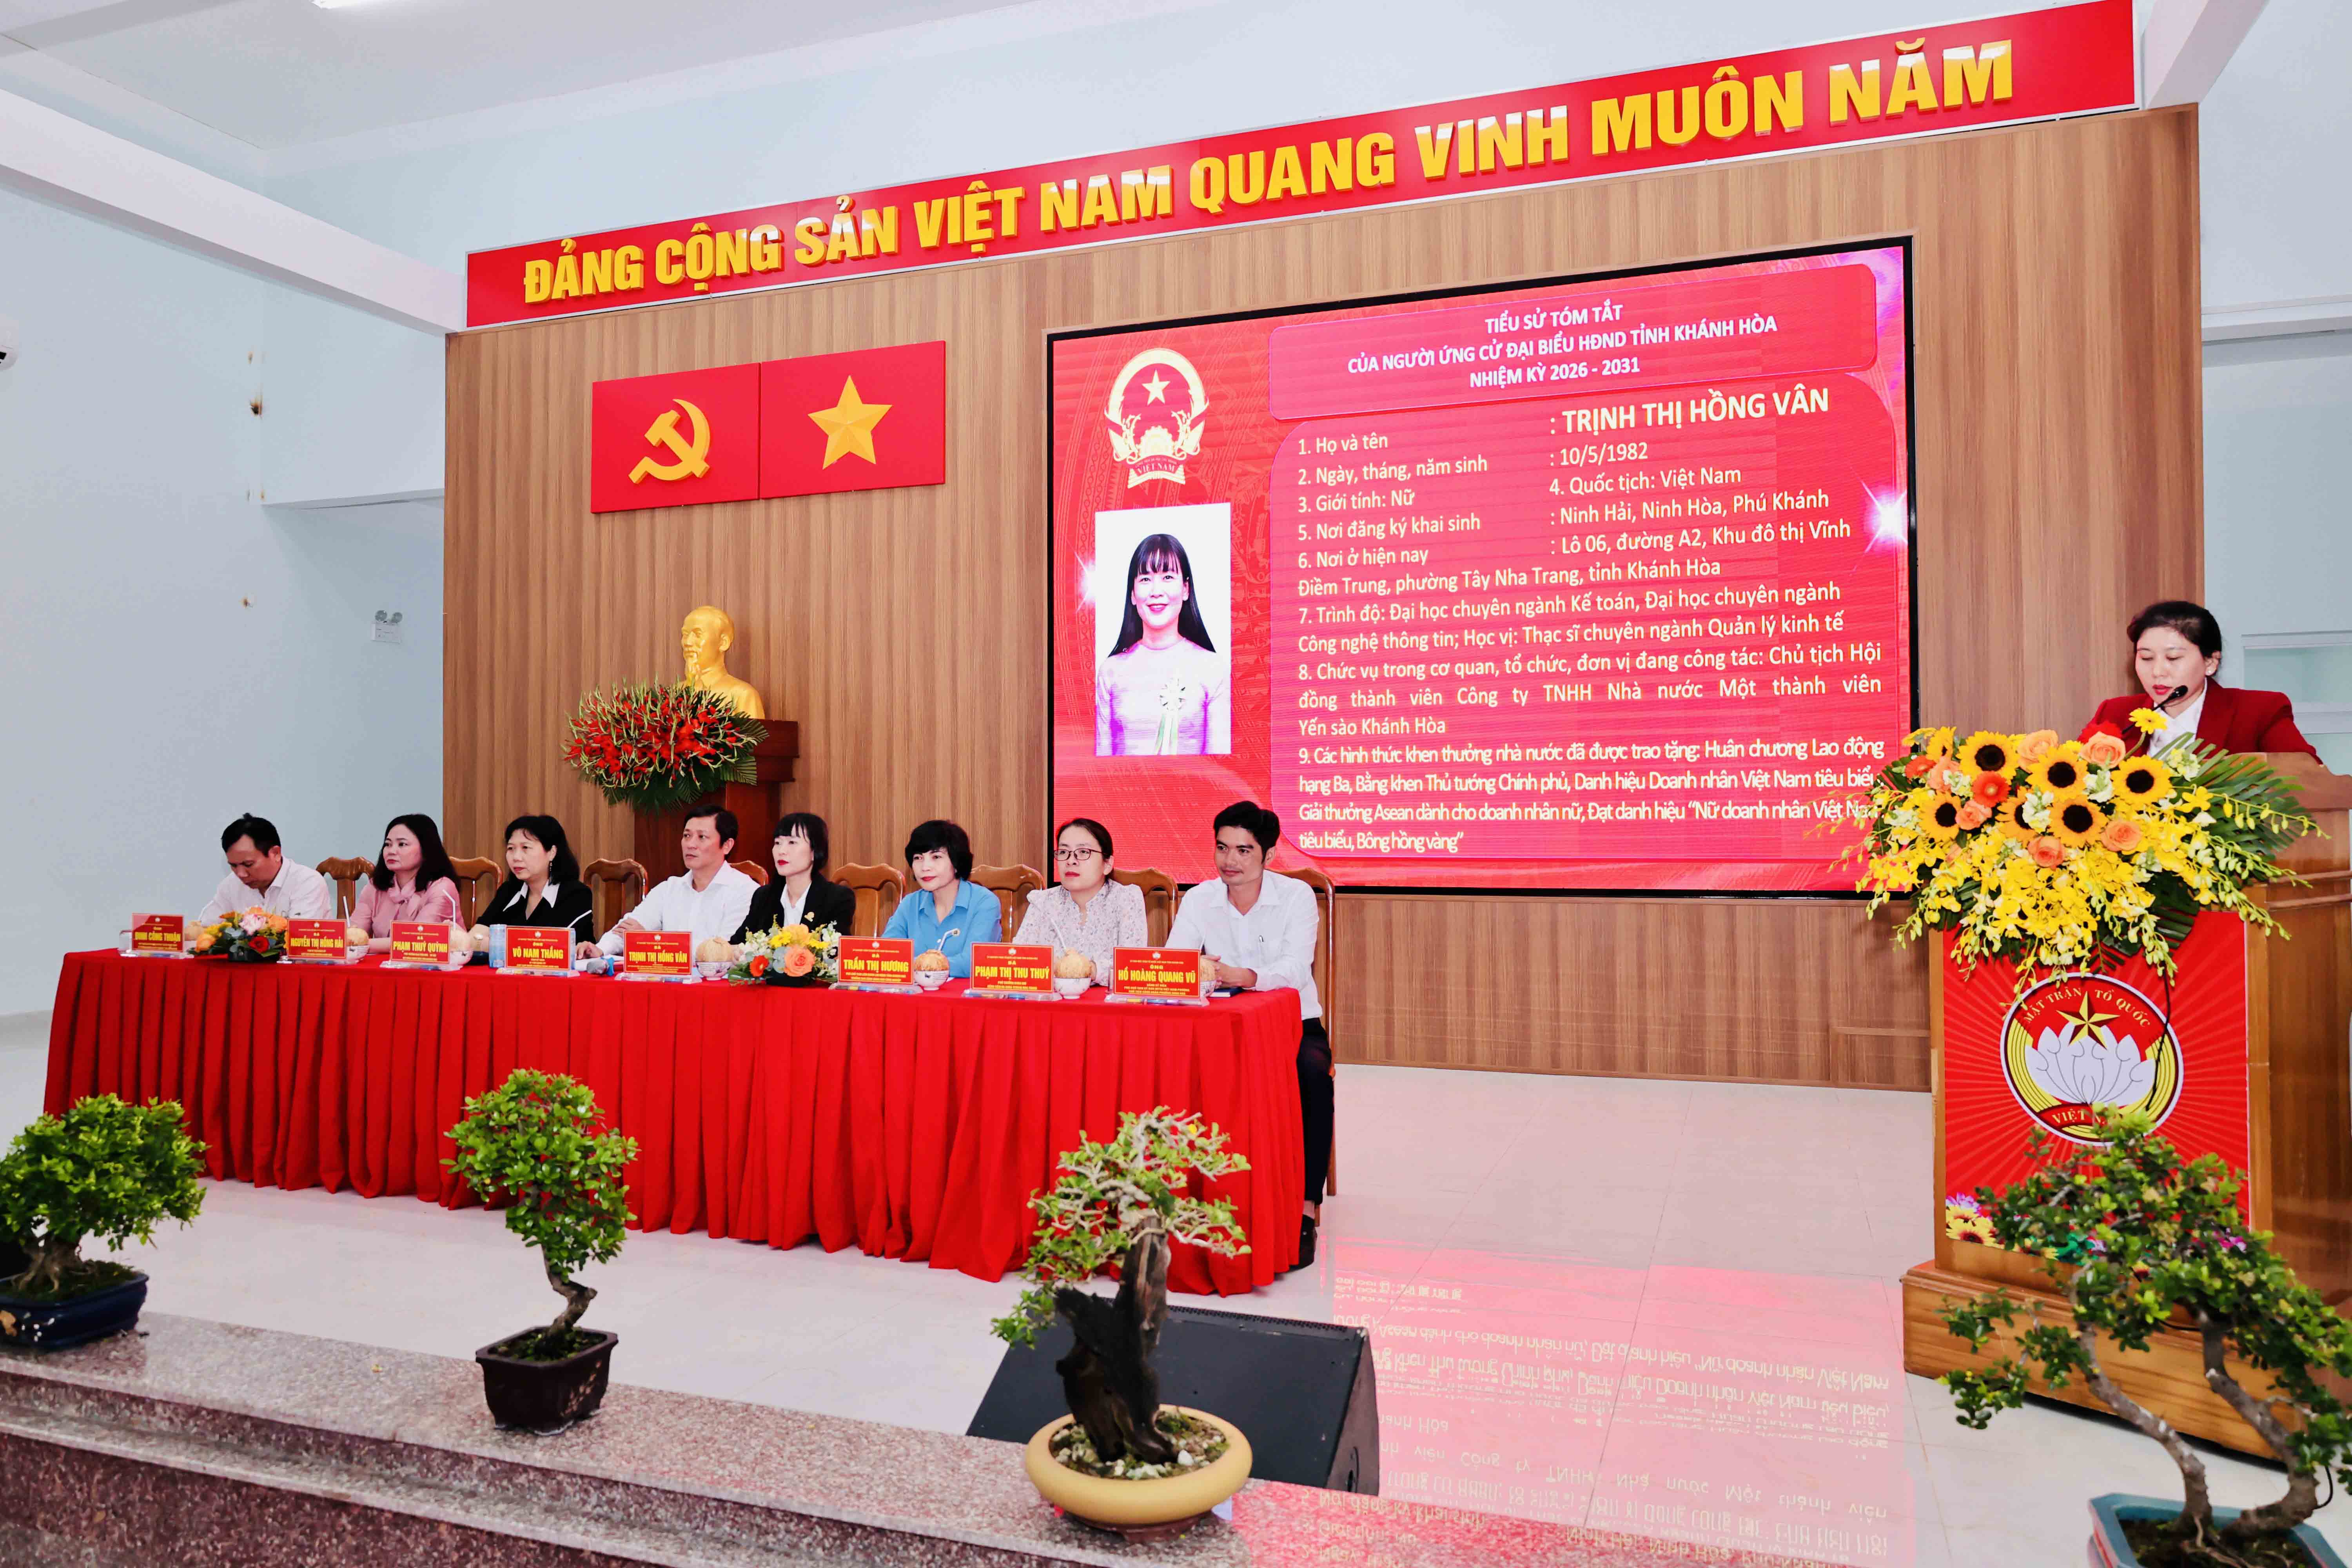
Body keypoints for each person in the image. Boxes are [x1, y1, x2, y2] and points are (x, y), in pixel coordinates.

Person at [1166, 801, 1329, 1270]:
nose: (1229, 860)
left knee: (1312, 1074)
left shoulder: (1296, 896)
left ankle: (1305, 1209)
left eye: (1243, 850)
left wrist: (1248, 976)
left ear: (1269, 854)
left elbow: (1296, 967)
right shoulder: (1200, 898)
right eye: (1222, 848)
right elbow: (1176, 959)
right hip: (1218, 1025)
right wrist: (1188, 969)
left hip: (1292, 1022)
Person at [2083, 600, 2319, 759]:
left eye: (2173, 658)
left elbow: (2308, 781)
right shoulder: (2115, 714)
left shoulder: (2259, 712)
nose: (2158, 671)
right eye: (2146, 658)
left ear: (2210, 663)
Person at [1094, 533, 1231, 755]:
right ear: (1133, 594)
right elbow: (1100, 766)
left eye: (1168, 577)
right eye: (1145, 579)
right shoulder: (1110, 672)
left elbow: (1221, 768)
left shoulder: (1214, 669)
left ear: (1186, 589)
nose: (1156, 592)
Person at [584, 805, 757, 959]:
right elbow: (629, 928)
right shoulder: (669, 888)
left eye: (702, 837)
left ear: (727, 845)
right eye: (687, 836)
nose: (691, 844)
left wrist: (651, 942)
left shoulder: (745, 891)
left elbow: (725, 950)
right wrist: (600, 949)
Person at [1014, 817, 1146, 983]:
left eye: (1083, 852)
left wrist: (1089, 970)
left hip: (1106, 999)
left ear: (1107, 864)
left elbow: (1133, 968)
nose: (1071, 861)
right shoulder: (1042, 902)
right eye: (1064, 852)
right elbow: (1019, 960)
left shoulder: (1127, 899)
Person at [881, 819, 1000, 977]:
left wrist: (916, 964)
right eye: (918, 858)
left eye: (936, 857)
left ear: (957, 862)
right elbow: (887, 955)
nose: (925, 867)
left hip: (963, 993)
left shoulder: (984, 903)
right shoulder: (910, 904)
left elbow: (973, 963)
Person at [732, 812, 856, 941]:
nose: (781, 851)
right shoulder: (764, 897)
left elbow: (836, 949)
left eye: (792, 842)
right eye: (778, 843)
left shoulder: (837, 898)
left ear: (815, 851)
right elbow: (738, 942)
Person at [351, 814, 463, 952]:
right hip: (386, 964)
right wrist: (348, 939)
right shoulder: (375, 886)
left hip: (433, 964)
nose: (392, 851)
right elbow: (354, 931)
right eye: (388, 845)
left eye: (402, 844)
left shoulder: (442, 888)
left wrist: (358, 944)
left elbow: (416, 939)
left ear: (426, 849)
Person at [476, 815, 594, 941]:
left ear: (552, 853)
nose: (516, 857)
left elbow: (550, 945)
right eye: (511, 848)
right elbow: (475, 937)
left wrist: (496, 944)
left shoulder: (576, 894)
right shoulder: (509, 891)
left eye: (526, 848)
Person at [198, 814, 334, 922]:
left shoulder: (307, 882)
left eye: (248, 864)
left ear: (276, 853)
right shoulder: (231, 885)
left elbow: (300, 939)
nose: (241, 874)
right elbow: (205, 928)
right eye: (233, 866)